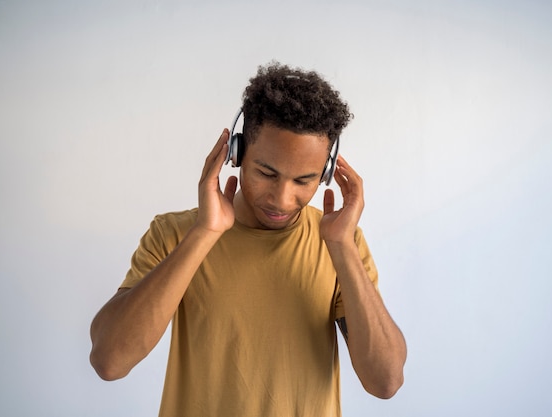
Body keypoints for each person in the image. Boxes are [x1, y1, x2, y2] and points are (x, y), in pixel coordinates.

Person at [89, 62, 407, 417]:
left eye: (304, 181)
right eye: (266, 173)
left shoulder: (341, 244)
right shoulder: (175, 234)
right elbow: (109, 361)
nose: (282, 199)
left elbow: (386, 382)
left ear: (327, 174)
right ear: (235, 155)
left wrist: (343, 248)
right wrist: (205, 234)